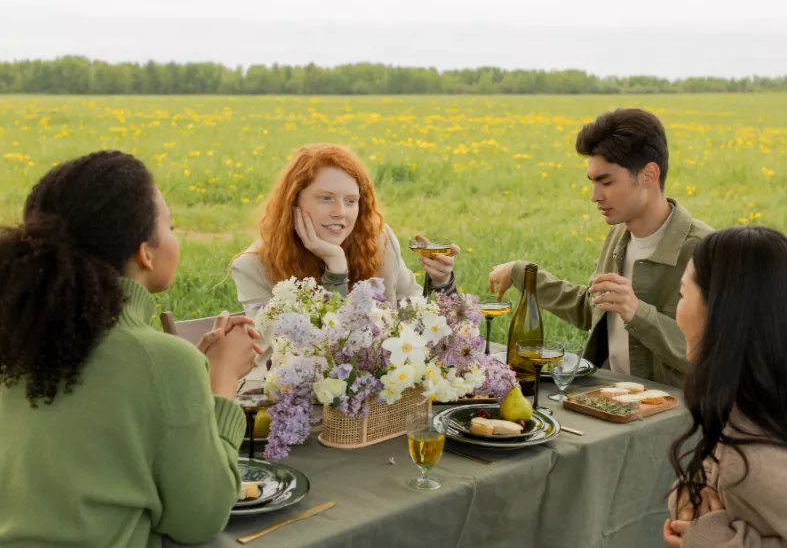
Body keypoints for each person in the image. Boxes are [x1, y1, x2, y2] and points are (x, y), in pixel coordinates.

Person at [0, 151, 262, 547]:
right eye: (170, 226)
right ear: (146, 252)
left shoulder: (17, 341)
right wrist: (221, 383)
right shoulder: (164, 362)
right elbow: (200, 518)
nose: (175, 235)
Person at [488, 108, 711, 387]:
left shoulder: (706, 252)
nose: (595, 196)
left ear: (648, 175)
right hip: (610, 398)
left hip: (673, 413)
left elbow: (711, 354)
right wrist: (524, 273)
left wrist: (637, 311)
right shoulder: (619, 235)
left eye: (606, 182)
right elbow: (593, 308)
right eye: (593, 182)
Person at [231, 143, 460, 380]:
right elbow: (314, 358)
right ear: (294, 201)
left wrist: (441, 282)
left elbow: (419, 320)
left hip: (385, 397)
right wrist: (336, 268)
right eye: (326, 198)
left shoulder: (378, 242)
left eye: (350, 201)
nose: (340, 212)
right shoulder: (253, 267)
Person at [664, 226, 787, 547]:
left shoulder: (751, 462)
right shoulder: (775, 401)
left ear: (718, 315)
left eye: (682, 295)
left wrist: (715, 539)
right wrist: (689, 495)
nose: (676, 310)